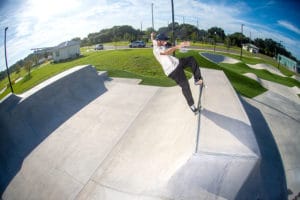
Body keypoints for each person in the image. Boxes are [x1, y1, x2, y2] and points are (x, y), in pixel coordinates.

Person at [151, 32, 203, 114]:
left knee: (191, 59)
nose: (165, 43)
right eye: (164, 41)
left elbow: (153, 39)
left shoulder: (155, 41)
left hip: (177, 62)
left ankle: (197, 79)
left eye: (165, 41)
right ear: (159, 41)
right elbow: (166, 52)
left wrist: (152, 35)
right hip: (172, 71)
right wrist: (178, 46)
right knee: (185, 85)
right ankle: (192, 106)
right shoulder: (156, 49)